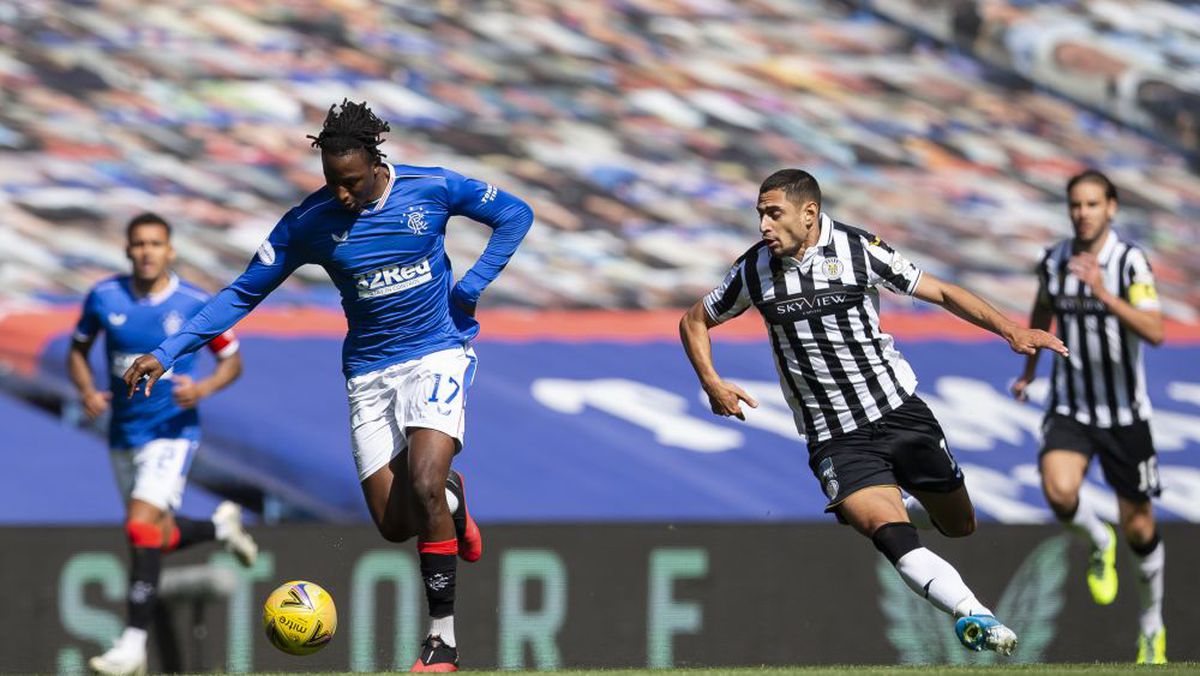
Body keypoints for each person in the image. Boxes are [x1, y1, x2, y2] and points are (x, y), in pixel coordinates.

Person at [123, 100, 534, 672]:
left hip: (438, 350)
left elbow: (515, 213)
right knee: (395, 523)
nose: (343, 194)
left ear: (374, 161)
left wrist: (470, 289)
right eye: (333, 183)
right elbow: (242, 293)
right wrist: (166, 354)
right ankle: (453, 504)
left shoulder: (433, 188)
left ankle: (442, 642)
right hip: (369, 371)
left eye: (353, 182)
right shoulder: (308, 223)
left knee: (424, 477)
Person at [680, 169, 1068, 655]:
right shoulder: (753, 271)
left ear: (809, 213)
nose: (763, 225)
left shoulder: (860, 250)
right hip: (835, 436)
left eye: (773, 213)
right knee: (886, 535)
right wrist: (711, 382)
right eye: (760, 214)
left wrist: (1012, 330)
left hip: (900, 413)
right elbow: (694, 319)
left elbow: (942, 292)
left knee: (959, 524)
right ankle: (975, 614)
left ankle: (901, 505)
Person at [68, 212, 257, 676]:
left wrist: (205, 388)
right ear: (128, 250)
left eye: (156, 243)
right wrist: (88, 390)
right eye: (139, 244)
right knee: (153, 535)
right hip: (124, 433)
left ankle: (132, 646)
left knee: (138, 527)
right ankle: (219, 529)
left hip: (172, 430)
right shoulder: (104, 297)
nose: (147, 251)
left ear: (170, 251)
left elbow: (232, 361)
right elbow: (78, 350)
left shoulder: (194, 302)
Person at [1011, 169, 1166, 664]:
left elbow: (1156, 330)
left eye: (1092, 204)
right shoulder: (1054, 260)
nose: (1082, 213)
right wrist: (1029, 369)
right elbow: (1040, 313)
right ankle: (1100, 541)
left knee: (1141, 528)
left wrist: (1102, 293)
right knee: (1059, 490)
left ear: (1111, 208)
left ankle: (1151, 626)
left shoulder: (1130, 263)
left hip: (1124, 414)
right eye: (1076, 205)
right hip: (1071, 406)